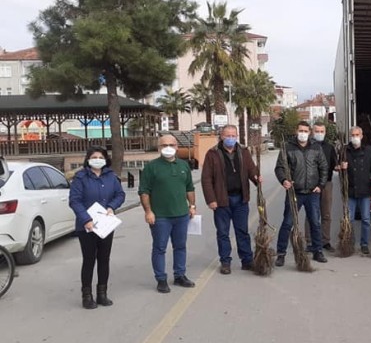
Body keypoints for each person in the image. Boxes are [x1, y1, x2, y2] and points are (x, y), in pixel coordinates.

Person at [68, 146, 125, 309]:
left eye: (101, 157)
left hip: (105, 225)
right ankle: (87, 295)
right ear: (88, 159)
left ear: (106, 159)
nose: (98, 159)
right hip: (86, 227)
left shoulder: (111, 177)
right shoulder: (80, 178)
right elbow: (74, 200)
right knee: (89, 259)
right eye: (94, 156)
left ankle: (102, 293)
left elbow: (120, 194)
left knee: (104, 259)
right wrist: (86, 219)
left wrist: (112, 207)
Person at [139, 135, 197, 293]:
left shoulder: (184, 165)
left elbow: (189, 188)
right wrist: (148, 211)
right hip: (160, 217)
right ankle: (161, 279)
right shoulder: (151, 167)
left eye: (171, 144)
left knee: (180, 246)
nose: (168, 147)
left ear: (177, 147)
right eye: (164, 145)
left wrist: (192, 206)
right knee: (159, 248)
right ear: (159, 148)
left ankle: (180, 275)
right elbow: (144, 191)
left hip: (181, 215)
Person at [201, 125, 260, 275]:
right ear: (221, 136)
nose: (231, 138)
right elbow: (206, 179)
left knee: (242, 231)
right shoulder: (213, 153)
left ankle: (247, 260)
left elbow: (251, 169)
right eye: (228, 135)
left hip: (241, 199)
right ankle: (225, 261)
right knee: (223, 233)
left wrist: (256, 178)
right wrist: (211, 199)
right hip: (222, 200)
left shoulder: (243, 151)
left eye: (233, 135)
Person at [274, 121, 329, 266]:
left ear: (309, 132)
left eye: (305, 131)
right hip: (295, 192)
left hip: (312, 193)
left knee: (315, 223)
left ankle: (318, 251)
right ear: (296, 131)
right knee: (287, 223)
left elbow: (324, 167)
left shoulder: (316, 147)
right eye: (301, 130)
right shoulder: (288, 147)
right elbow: (279, 168)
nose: (303, 133)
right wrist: (284, 180)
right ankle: (281, 254)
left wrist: (321, 185)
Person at [340, 126, 371, 254]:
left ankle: (364, 244)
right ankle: (349, 243)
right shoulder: (344, 150)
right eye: (352, 135)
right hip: (350, 190)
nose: (355, 137)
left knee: (365, 218)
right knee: (350, 219)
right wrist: (341, 166)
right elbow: (337, 166)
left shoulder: (369, 150)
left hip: (365, 190)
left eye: (357, 135)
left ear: (362, 136)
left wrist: (370, 177)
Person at [305, 121, 338, 251]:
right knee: (311, 214)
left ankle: (325, 241)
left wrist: (339, 166)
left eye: (322, 131)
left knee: (326, 214)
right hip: (311, 185)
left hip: (326, 184)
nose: (319, 133)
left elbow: (335, 164)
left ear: (325, 132)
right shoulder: (308, 147)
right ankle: (310, 241)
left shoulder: (329, 147)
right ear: (313, 132)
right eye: (317, 131)